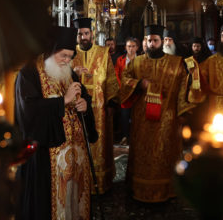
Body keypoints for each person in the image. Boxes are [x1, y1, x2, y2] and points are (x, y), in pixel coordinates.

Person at [14, 26, 98, 220]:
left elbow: (83, 96)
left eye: (70, 56)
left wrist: (84, 105)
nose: (67, 61)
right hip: (46, 157)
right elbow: (28, 112)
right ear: (51, 51)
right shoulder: (29, 73)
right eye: (63, 56)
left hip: (74, 155)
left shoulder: (69, 72)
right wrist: (62, 101)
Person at [121, 25, 195, 202]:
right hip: (141, 119)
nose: (152, 44)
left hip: (167, 119)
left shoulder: (176, 63)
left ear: (161, 41)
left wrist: (183, 112)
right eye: (149, 40)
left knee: (165, 153)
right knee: (142, 154)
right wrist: (139, 84)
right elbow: (124, 80)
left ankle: (167, 189)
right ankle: (140, 189)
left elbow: (183, 87)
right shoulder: (136, 62)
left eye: (155, 40)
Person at [72, 17, 119, 194]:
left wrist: (112, 102)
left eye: (86, 33)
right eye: (80, 34)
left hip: (99, 110)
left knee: (99, 143)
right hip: (76, 108)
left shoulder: (103, 53)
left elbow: (111, 79)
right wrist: (72, 72)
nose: (83, 37)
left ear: (91, 34)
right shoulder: (70, 54)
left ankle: (99, 182)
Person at [114, 37, 139, 145]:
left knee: (137, 116)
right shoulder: (120, 60)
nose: (131, 49)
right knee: (124, 116)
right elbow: (116, 75)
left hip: (137, 93)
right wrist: (122, 88)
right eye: (129, 46)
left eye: (133, 46)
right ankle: (125, 136)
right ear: (125, 47)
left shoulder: (141, 59)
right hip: (124, 93)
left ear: (137, 47)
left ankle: (136, 137)